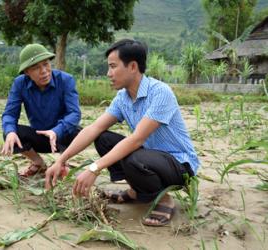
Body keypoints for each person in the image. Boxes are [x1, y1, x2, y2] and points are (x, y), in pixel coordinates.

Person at [45, 39, 200, 226]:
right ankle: (136, 190)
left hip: (179, 165)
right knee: (104, 139)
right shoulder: (123, 97)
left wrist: (94, 168)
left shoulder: (160, 93)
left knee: (135, 158)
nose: (108, 73)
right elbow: (94, 128)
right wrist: (61, 160)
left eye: (113, 67)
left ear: (133, 66)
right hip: (150, 157)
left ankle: (164, 199)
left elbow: (137, 139)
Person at [1, 43, 81, 177]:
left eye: (46, 64)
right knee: (11, 132)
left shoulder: (66, 80)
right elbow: (9, 114)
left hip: (62, 135)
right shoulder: (20, 83)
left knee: (78, 132)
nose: (44, 71)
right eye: (36, 68)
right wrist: (10, 132)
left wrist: (56, 131)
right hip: (39, 136)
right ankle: (38, 163)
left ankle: (63, 162)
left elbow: (74, 113)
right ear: (27, 72)